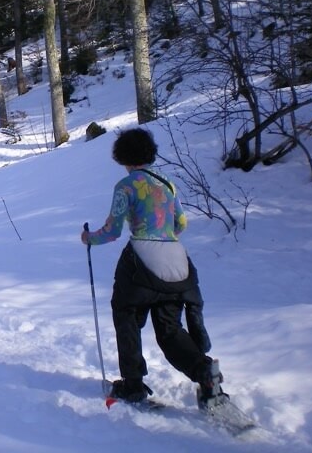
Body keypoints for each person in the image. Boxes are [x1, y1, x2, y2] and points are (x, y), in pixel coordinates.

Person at [81, 127, 226, 410]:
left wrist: (89, 238)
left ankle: (133, 384)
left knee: (126, 315)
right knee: (170, 330)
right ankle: (205, 373)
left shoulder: (126, 186)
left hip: (141, 262)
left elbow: (111, 232)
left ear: (121, 155)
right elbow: (181, 224)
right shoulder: (167, 184)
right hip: (177, 264)